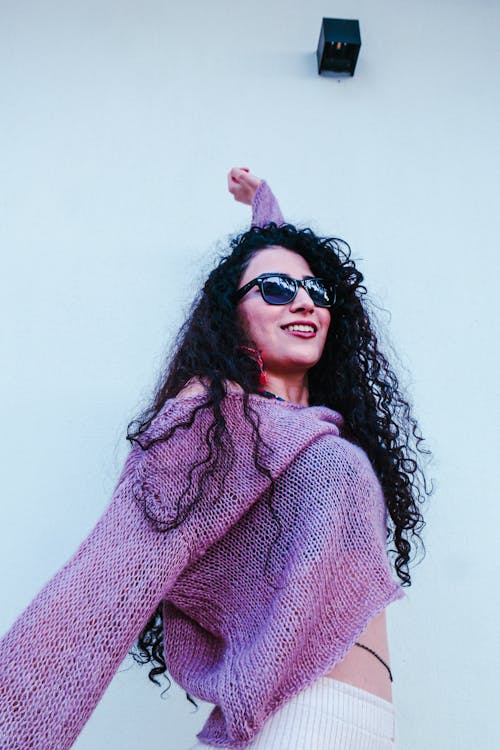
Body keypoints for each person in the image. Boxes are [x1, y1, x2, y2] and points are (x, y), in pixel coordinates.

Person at [0, 169, 430, 750]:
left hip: (370, 721)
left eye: (316, 292)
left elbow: (278, 266)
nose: (303, 301)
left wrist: (265, 208)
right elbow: (105, 581)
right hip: (298, 721)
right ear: (232, 314)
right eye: (276, 289)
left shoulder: (322, 434)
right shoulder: (214, 421)